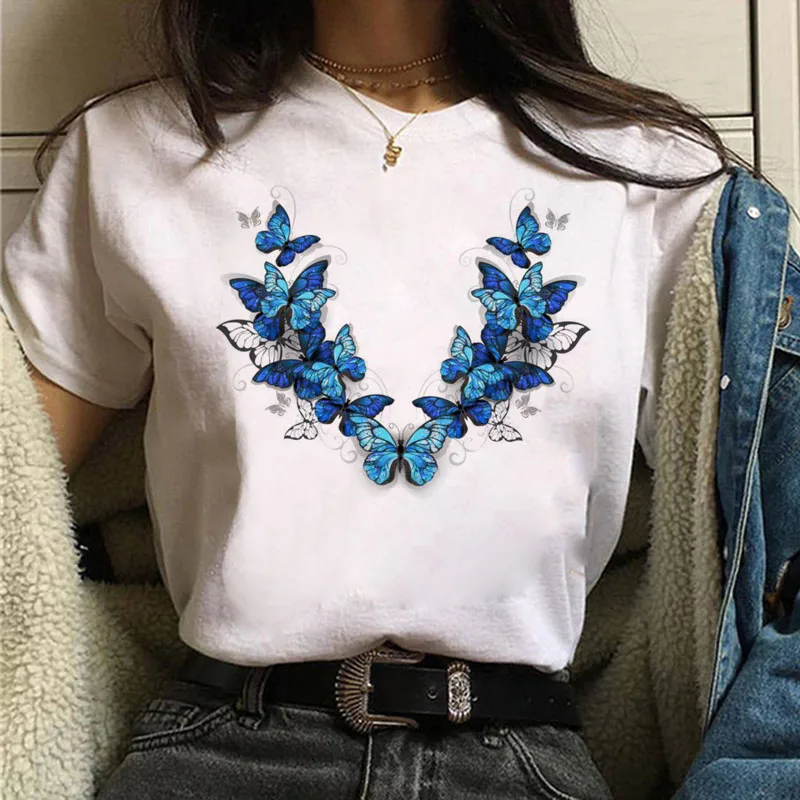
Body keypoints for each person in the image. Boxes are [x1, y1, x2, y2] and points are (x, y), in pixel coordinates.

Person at [0, 1, 748, 798]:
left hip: (520, 758)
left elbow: (759, 539)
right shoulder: (136, 149)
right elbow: (18, 486)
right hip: (222, 754)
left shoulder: (649, 174)